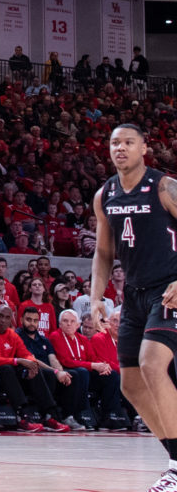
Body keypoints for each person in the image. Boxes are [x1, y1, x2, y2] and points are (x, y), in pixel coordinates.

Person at [91, 123, 177, 487]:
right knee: (130, 384)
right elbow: (104, 251)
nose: (120, 148)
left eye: (128, 142)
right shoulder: (104, 194)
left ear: (145, 148)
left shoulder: (164, 187)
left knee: (152, 363)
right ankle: (175, 456)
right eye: (114, 143)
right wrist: (96, 296)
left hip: (169, 289)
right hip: (134, 295)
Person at [0, 305, 66, 432]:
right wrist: (18, 360)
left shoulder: (12, 334)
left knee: (39, 370)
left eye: (7, 317)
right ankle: (22, 417)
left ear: (11, 321)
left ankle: (49, 415)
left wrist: (31, 365)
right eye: (0, 316)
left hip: (10, 371)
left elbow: (26, 354)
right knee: (7, 369)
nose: (3, 320)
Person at [16, 304, 85, 431]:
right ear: (21, 320)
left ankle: (67, 416)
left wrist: (61, 372)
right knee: (46, 373)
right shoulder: (18, 336)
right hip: (27, 374)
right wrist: (55, 371)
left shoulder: (43, 339)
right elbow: (32, 359)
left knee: (73, 375)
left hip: (47, 372)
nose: (32, 323)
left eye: (35, 320)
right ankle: (49, 416)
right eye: (28, 320)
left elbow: (53, 359)